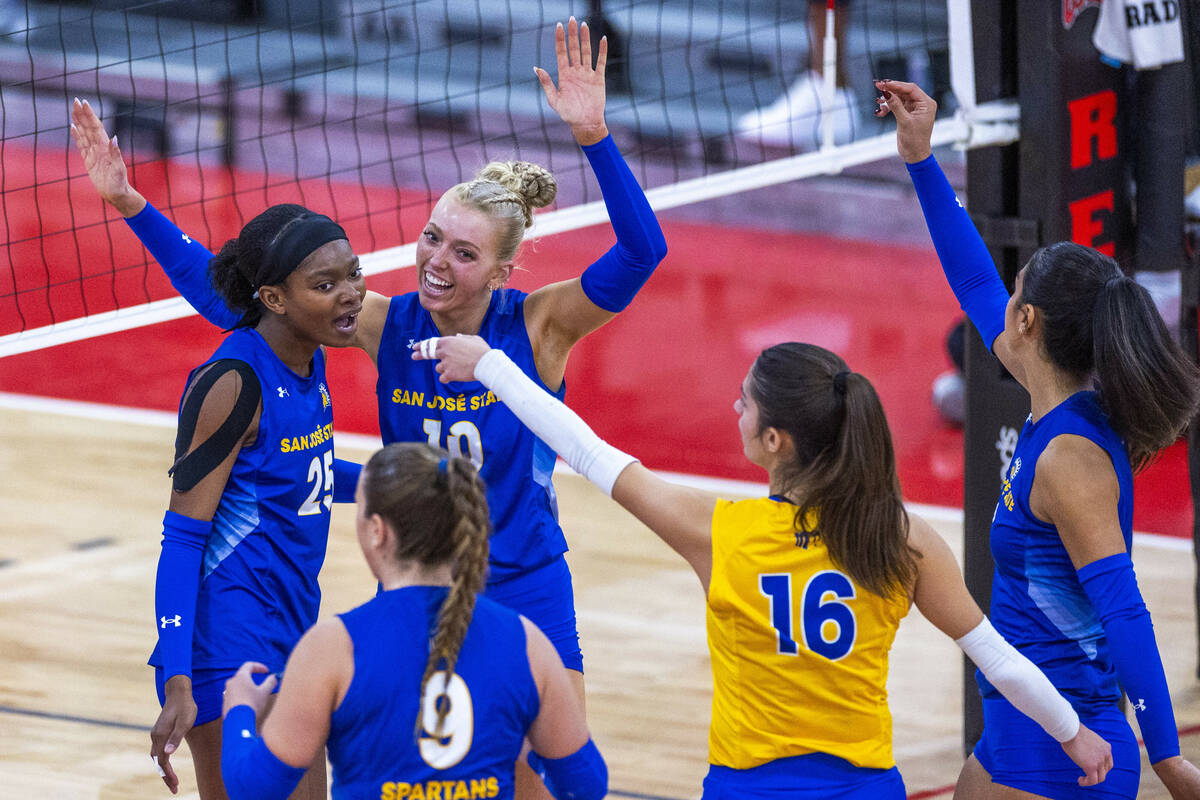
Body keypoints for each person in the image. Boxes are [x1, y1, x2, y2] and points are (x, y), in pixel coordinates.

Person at [72, 17, 665, 795]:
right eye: (430, 238)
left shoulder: (538, 325)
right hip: (414, 585)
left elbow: (642, 252)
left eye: (464, 252)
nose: (436, 262)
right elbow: (240, 302)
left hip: (519, 582)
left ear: (503, 269)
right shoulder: (388, 324)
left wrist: (593, 137)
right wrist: (132, 206)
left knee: (546, 784)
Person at [413, 333, 1113, 798]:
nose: (734, 406)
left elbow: (592, 453)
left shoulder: (722, 532)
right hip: (865, 786)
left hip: (751, 785)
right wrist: (1074, 735)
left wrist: (492, 367)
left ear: (775, 440)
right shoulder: (901, 537)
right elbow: (998, 659)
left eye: (744, 401)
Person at [877, 78, 1200, 799]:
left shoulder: (1069, 458)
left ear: (1030, 325)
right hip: (1027, 732)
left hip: (1064, 749)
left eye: (1015, 291)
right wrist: (921, 157)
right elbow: (970, 276)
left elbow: (1124, 610)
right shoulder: (1054, 403)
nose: (1003, 297)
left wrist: (1169, 757)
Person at [73, 103, 367, 798]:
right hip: (225, 642)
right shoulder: (233, 382)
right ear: (275, 298)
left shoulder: (302, 344)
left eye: (352, 273)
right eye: (327, 285)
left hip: (291, 622)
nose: (352, 293)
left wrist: (401, 477)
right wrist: (178, 675)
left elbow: (301, 475)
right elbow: (182, 538)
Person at [219, 443, 606, 800]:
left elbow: (254, 788)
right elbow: (586, 785)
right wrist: (530, 748)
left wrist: (240, 710)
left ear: (377, 532)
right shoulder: (526, 642)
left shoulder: (332, 649)